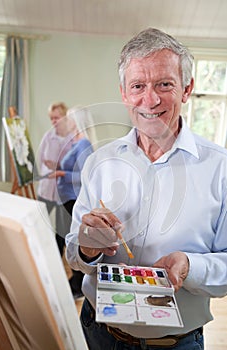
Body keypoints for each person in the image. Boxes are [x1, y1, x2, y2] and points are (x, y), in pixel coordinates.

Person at [65, 28, 227, 350]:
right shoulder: (100, 162)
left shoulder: (220, 168)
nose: (149, 100)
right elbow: (74, 253)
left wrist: (190, 265)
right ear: (124, 93)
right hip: (99, 334)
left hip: (177, 343)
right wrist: (88, 248)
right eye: (138, 86)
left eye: (164, 84)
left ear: (187, 88)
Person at [49, 107, 94, 298]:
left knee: (70, 240)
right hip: (65, 197)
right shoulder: (75, 142)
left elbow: (83, 176)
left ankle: (77, 285)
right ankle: (65, 280)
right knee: (60, 237)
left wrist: (61, 174)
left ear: (75, 120)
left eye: (68, 118)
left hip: (73, 199)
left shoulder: (84, 144)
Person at [37, 102, 74, 220]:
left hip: (63, 193)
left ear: (65, 117)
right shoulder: (48, 137)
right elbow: (40, 160)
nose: (53, 121)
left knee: (61, 229)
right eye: (51, 118)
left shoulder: (73, 139)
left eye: (56, 118)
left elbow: (76, 166)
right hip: (46, 189)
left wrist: (58, 166)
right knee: (40, 221)